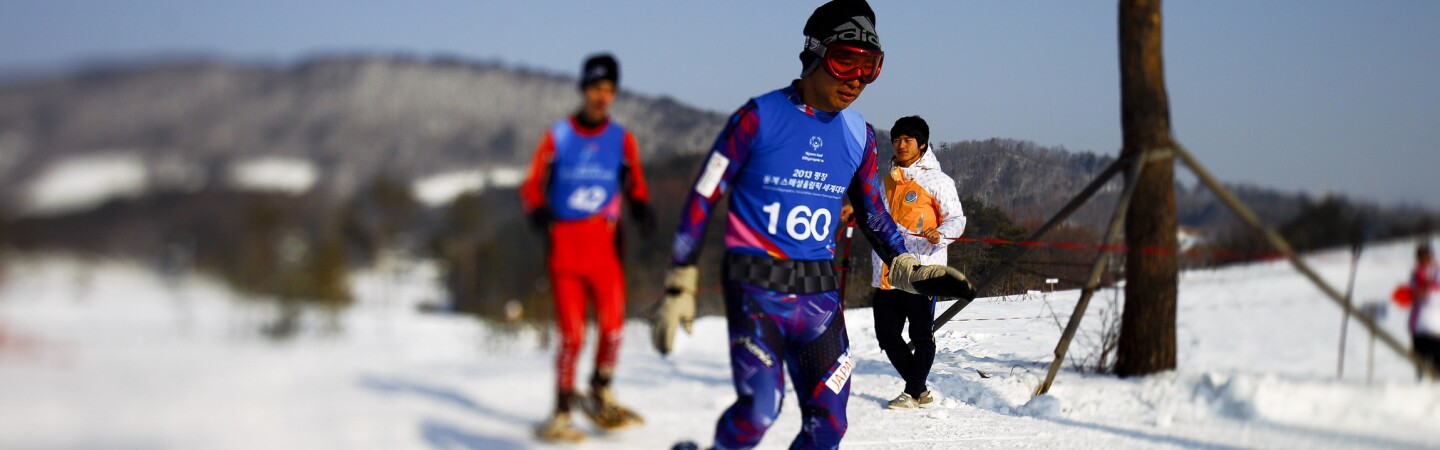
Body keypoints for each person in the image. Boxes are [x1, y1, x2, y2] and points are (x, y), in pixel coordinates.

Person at [651, 2, 974, 448]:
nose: (857, 79)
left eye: (871, 67)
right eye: (846, 61)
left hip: (818, 301)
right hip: (756, 291)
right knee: (759, 410)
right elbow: (706, 192)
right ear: (814, 54)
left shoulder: (858, 135)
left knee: (830, 425)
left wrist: (903, 264)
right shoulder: (758, 116)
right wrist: (680, 278)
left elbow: (874, 212)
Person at [520, 53, 654, 442]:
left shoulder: (622, 139)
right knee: (573, 336)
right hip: (565, 247)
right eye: (597, 87)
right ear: (584, 89)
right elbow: (530, 186)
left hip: (604, 246)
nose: (602, 96)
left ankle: (600, 388)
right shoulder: (558, 136)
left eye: (610, 89)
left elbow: (635, 184)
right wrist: (538, 210)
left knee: (613, 327)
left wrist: (642, 206)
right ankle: (561, 411)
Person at [868, 115, 965, 409]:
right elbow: (874, 218)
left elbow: (957, 219)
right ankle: (920, 390)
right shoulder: (885, 181)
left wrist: (940, 234)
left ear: (922, 144)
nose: (901, 145)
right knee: (886, 336)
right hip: (886, 271)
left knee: (921, 335)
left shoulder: (937, 181)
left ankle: (911, 393)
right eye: (896, 139)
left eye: (908, 140)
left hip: (921, 270)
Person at [1407, 244, 1440, 379]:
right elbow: (1412, 295)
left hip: (1435, 327)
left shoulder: (1437, 273)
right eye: (1421, 257)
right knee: (1419, 363)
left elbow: (1435, 293)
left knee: (1437, 365)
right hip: (1419, 327)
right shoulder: (1415, 276)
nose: (1424, 260)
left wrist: (1426, 291)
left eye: (1426, 257)